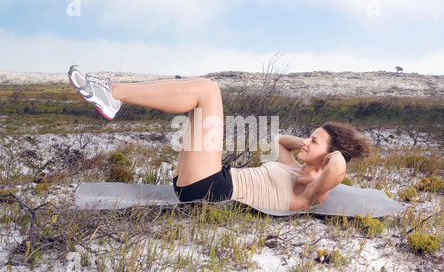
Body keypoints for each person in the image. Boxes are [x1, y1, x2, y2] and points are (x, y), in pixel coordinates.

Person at [68, 65, 371, 211]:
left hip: (214, 190)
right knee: (196, 103)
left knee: (209, 91)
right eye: (309, 136)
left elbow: (337, 169)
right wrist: (311, 146)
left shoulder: (314, 189)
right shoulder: (293, 168)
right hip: (208, 183)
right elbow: (278, 140)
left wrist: (330, 155)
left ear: (330, 154)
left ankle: (114, 92)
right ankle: (112, 91)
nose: (305, 141)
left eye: (314, 141)